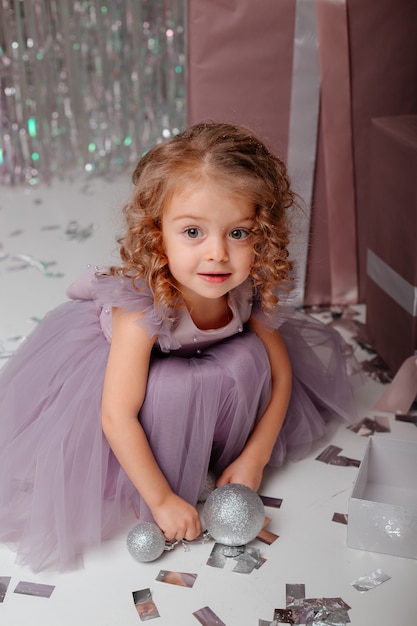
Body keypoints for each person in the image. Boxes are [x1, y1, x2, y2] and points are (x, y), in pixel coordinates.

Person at [0, 122, 353, 572]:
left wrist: (253, 459)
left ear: (262, 234)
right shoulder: (140, 307)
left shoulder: (249, 289)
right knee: (166, 385)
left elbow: (282, 377)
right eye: (192, 232)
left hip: (203, 365)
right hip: (129, 379)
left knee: (251, 359)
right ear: (157, 233)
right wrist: (162, 499)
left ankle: (214, 452)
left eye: (239, 233)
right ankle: (166, 468)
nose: (217, 254)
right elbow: (116, 414)